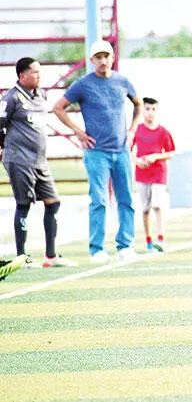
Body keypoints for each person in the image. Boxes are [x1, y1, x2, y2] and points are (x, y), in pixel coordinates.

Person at [53, 40, 142, 263]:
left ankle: (125, 246)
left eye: (106, 56)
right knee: (99, 201)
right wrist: (78, 132)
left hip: (121, 150)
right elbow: (58, 107)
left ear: (112, 58)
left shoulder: (122, 81)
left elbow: (138, 103)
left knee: (126, 199)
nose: (103, 61)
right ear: (92, 60)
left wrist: (132, 129)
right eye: (98, 57)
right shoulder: (83, 84)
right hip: (96, 152)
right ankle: (97, 249)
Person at [0, 57, 78, 268]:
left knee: (53, 202)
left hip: (39, 161)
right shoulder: (11, 98)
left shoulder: (41, 94)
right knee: (23, 204)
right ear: (22, 75)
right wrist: (3, 145)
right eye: (34, 72)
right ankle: (22, 258)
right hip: (19, 159)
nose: (39, 76)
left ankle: (50, 256)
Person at [132, 97, 176, 253]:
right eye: (147, 109)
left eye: (153, 109)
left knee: (157, 205)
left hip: (158, 173)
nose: (150, 112)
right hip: (142, 173)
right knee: (145, 208)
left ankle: (161, 239)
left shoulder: (163, 131)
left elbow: (171, 152)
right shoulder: (137, 130)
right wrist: (137, 161)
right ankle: (148, 240)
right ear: (142, 110)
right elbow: (129, 150)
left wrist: (155, 156)